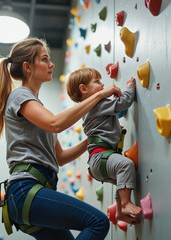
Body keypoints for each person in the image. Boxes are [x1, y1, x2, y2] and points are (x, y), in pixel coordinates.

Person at [0, 38, 122, 240]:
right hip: (25, 191)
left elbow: (59, 157)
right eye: (45, 59)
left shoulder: (38, 108)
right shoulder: (20, 96)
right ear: (28, 67)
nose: (51, 64)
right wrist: (98, 96)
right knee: (97, 222)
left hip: (31, 194)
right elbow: (55, 124)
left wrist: (96, 139)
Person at [66, 67, 141, 225]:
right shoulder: (98, 104)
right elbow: (124, 102)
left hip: (98, 162)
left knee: (122, 179)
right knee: (126, 165)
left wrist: (115, 131)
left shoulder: (87, 111)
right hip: (102, 158)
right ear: (83, 89)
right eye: (97, 82)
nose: (102, 84)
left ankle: (119, 212)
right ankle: (126, 204)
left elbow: (102, 129)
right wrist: (130, 87)